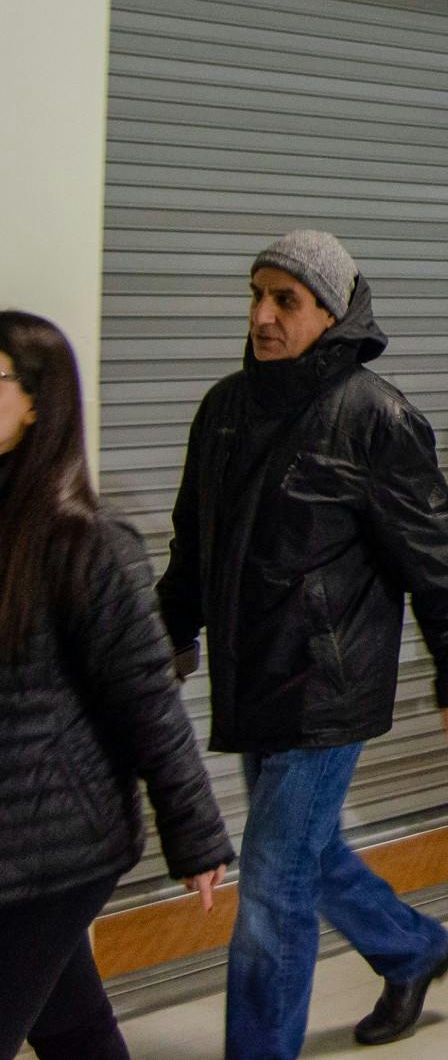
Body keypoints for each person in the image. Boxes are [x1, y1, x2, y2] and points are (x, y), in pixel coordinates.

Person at [156, 231, 448, 1059]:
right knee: (309, 852)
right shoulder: (224, 411)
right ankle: (413, 947)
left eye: (286, 300)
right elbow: (192, 544)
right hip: (251, 678)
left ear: (332, 312)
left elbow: (435, 553)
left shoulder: (374, 414)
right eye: (257, 295)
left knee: (272, 884)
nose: (262, 316)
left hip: (327, 684)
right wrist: (172, 633)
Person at [0, 313, 235, 1060]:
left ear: (38, 402)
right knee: (72, 1026)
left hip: (57, 846)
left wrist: (194, 831)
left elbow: (147, 698)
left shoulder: (86, 543)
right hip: (13, 839)